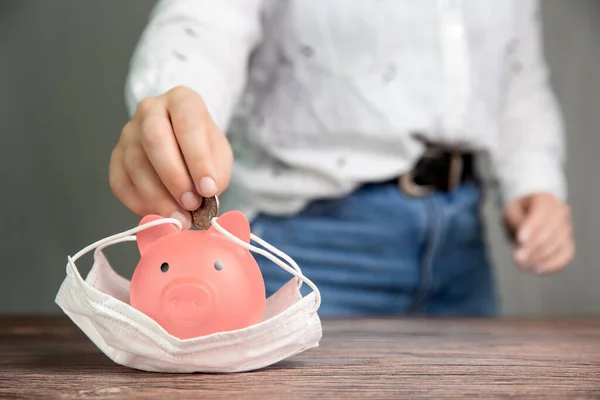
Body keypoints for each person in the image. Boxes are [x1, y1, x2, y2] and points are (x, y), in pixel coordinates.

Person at [110, 0, 574, 316]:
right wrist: (176, 104)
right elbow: (202, 24)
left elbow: (518, 75)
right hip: (310, 246)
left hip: (464, 245)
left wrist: (535, 180)